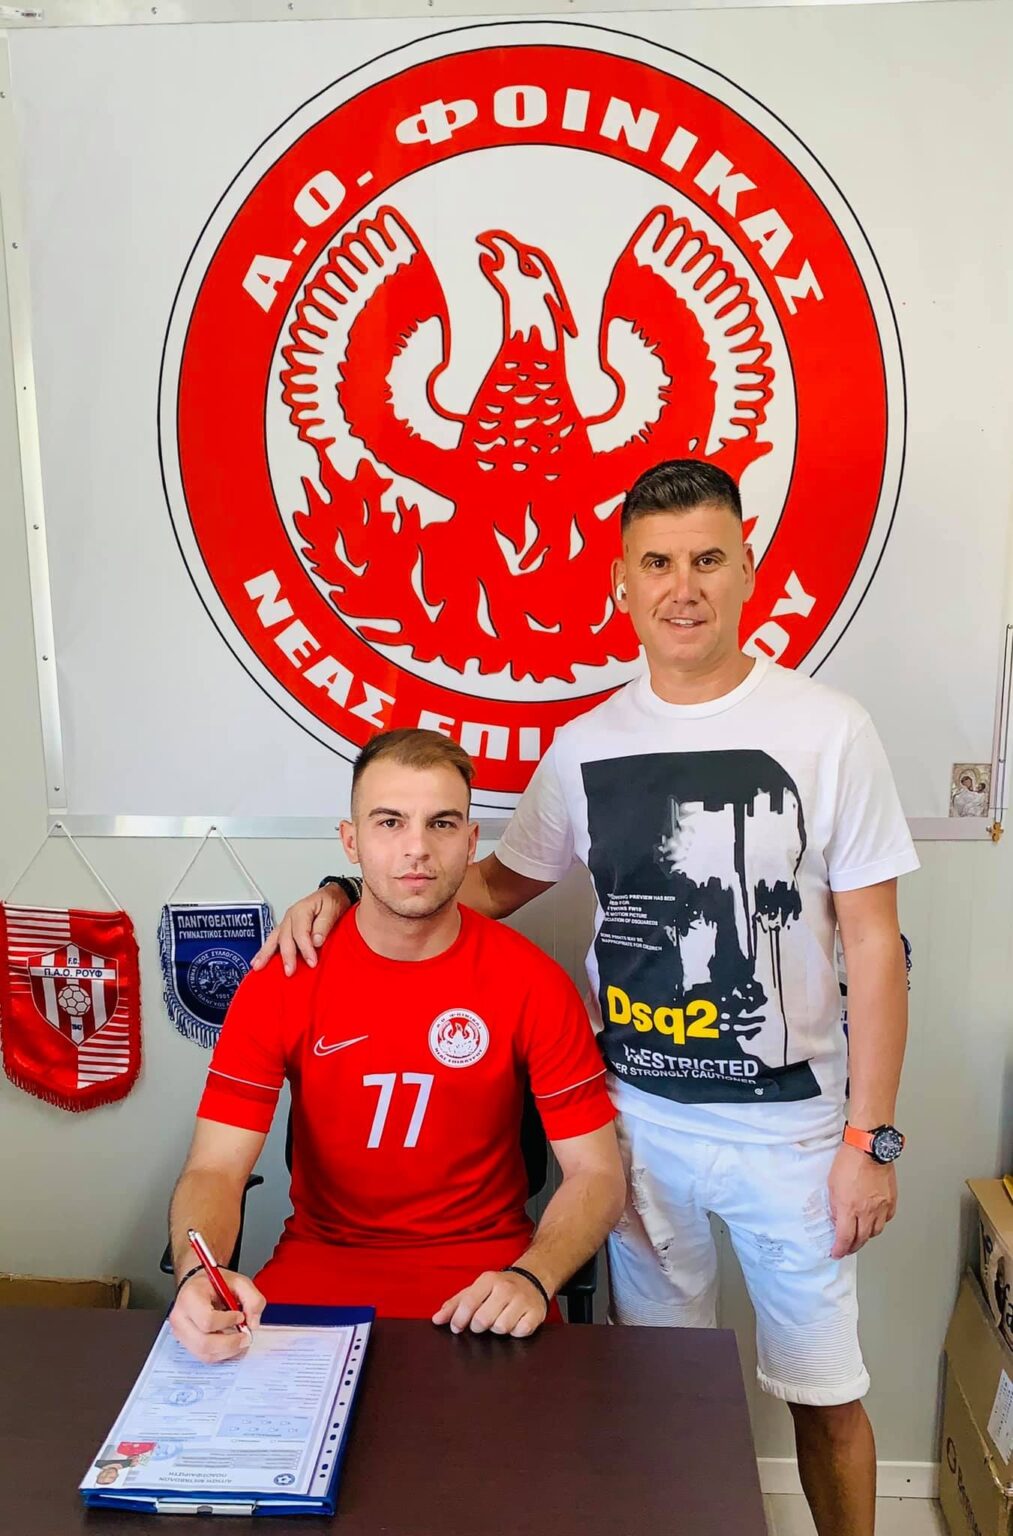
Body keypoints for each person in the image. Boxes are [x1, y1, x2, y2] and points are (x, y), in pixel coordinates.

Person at [260, 460, 919, 1536]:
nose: (682, 588)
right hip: (639, 1127)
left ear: (747, 568)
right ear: (620, 582)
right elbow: (486, 885)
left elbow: (873, 945)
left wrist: (869, 1140)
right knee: (658, 1392)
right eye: (656, 563)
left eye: (706, 559)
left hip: (792, 1131)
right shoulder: (587, 744)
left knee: (824, 1392)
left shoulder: (827, 728)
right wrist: (344, 891)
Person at [168, 729, 624, 1365]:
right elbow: (215, 1169)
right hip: (319, 1268)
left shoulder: (534, 982)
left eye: (442, 823)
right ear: (351, 841)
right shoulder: (283, 978)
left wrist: (535, 1274)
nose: (417, 848)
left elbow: (597, 1173)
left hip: (489, 1282)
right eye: (389, 822)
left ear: (471, 841)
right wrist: (199, 1274)